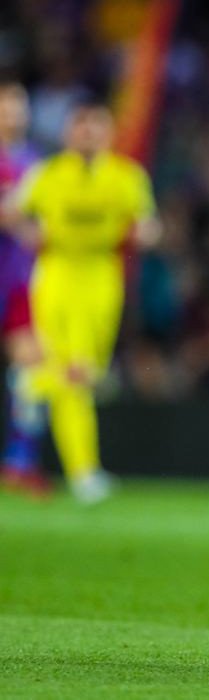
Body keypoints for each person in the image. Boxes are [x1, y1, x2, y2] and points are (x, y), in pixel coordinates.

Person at [6, 103, 159, 502]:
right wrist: (28, 231)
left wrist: (146, 233)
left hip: (102, 275)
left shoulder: (126, 176)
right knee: (76, 373)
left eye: (95, 129)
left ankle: (32, 383)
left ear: (108, 135)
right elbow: (10, 211)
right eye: (81, 128)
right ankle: (84, 473)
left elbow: (147, 221)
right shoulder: (48, 174)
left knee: (84, 374)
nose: (87, 135)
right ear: (69, 134)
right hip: (57, 273)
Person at [0, 83, 48, 496]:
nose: (13, 115)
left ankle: (19, 460)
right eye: (6, 108)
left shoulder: (36, 162)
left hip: (19, 279)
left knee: (31, 368)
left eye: (20, 108)